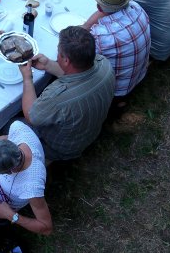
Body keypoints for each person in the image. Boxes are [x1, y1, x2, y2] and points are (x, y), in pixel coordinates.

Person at [19, 26, 115, 162]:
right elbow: (78, 73)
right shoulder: (105, 64)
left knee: (11, 125)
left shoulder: (57, 97)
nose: (57, 54)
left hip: (60, 148)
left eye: (59, 52)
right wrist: (48, 65)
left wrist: (27, 78)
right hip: (87, 133)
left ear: (66, 61)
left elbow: (31, 116)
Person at [83, 0, 151, 97]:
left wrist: (84, 29)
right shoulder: (137, 8)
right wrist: (86, 25)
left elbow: (81, 64)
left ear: (98, 7)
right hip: (139, 75)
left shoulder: (101, 36)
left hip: (117, 91)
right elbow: (105, 13)